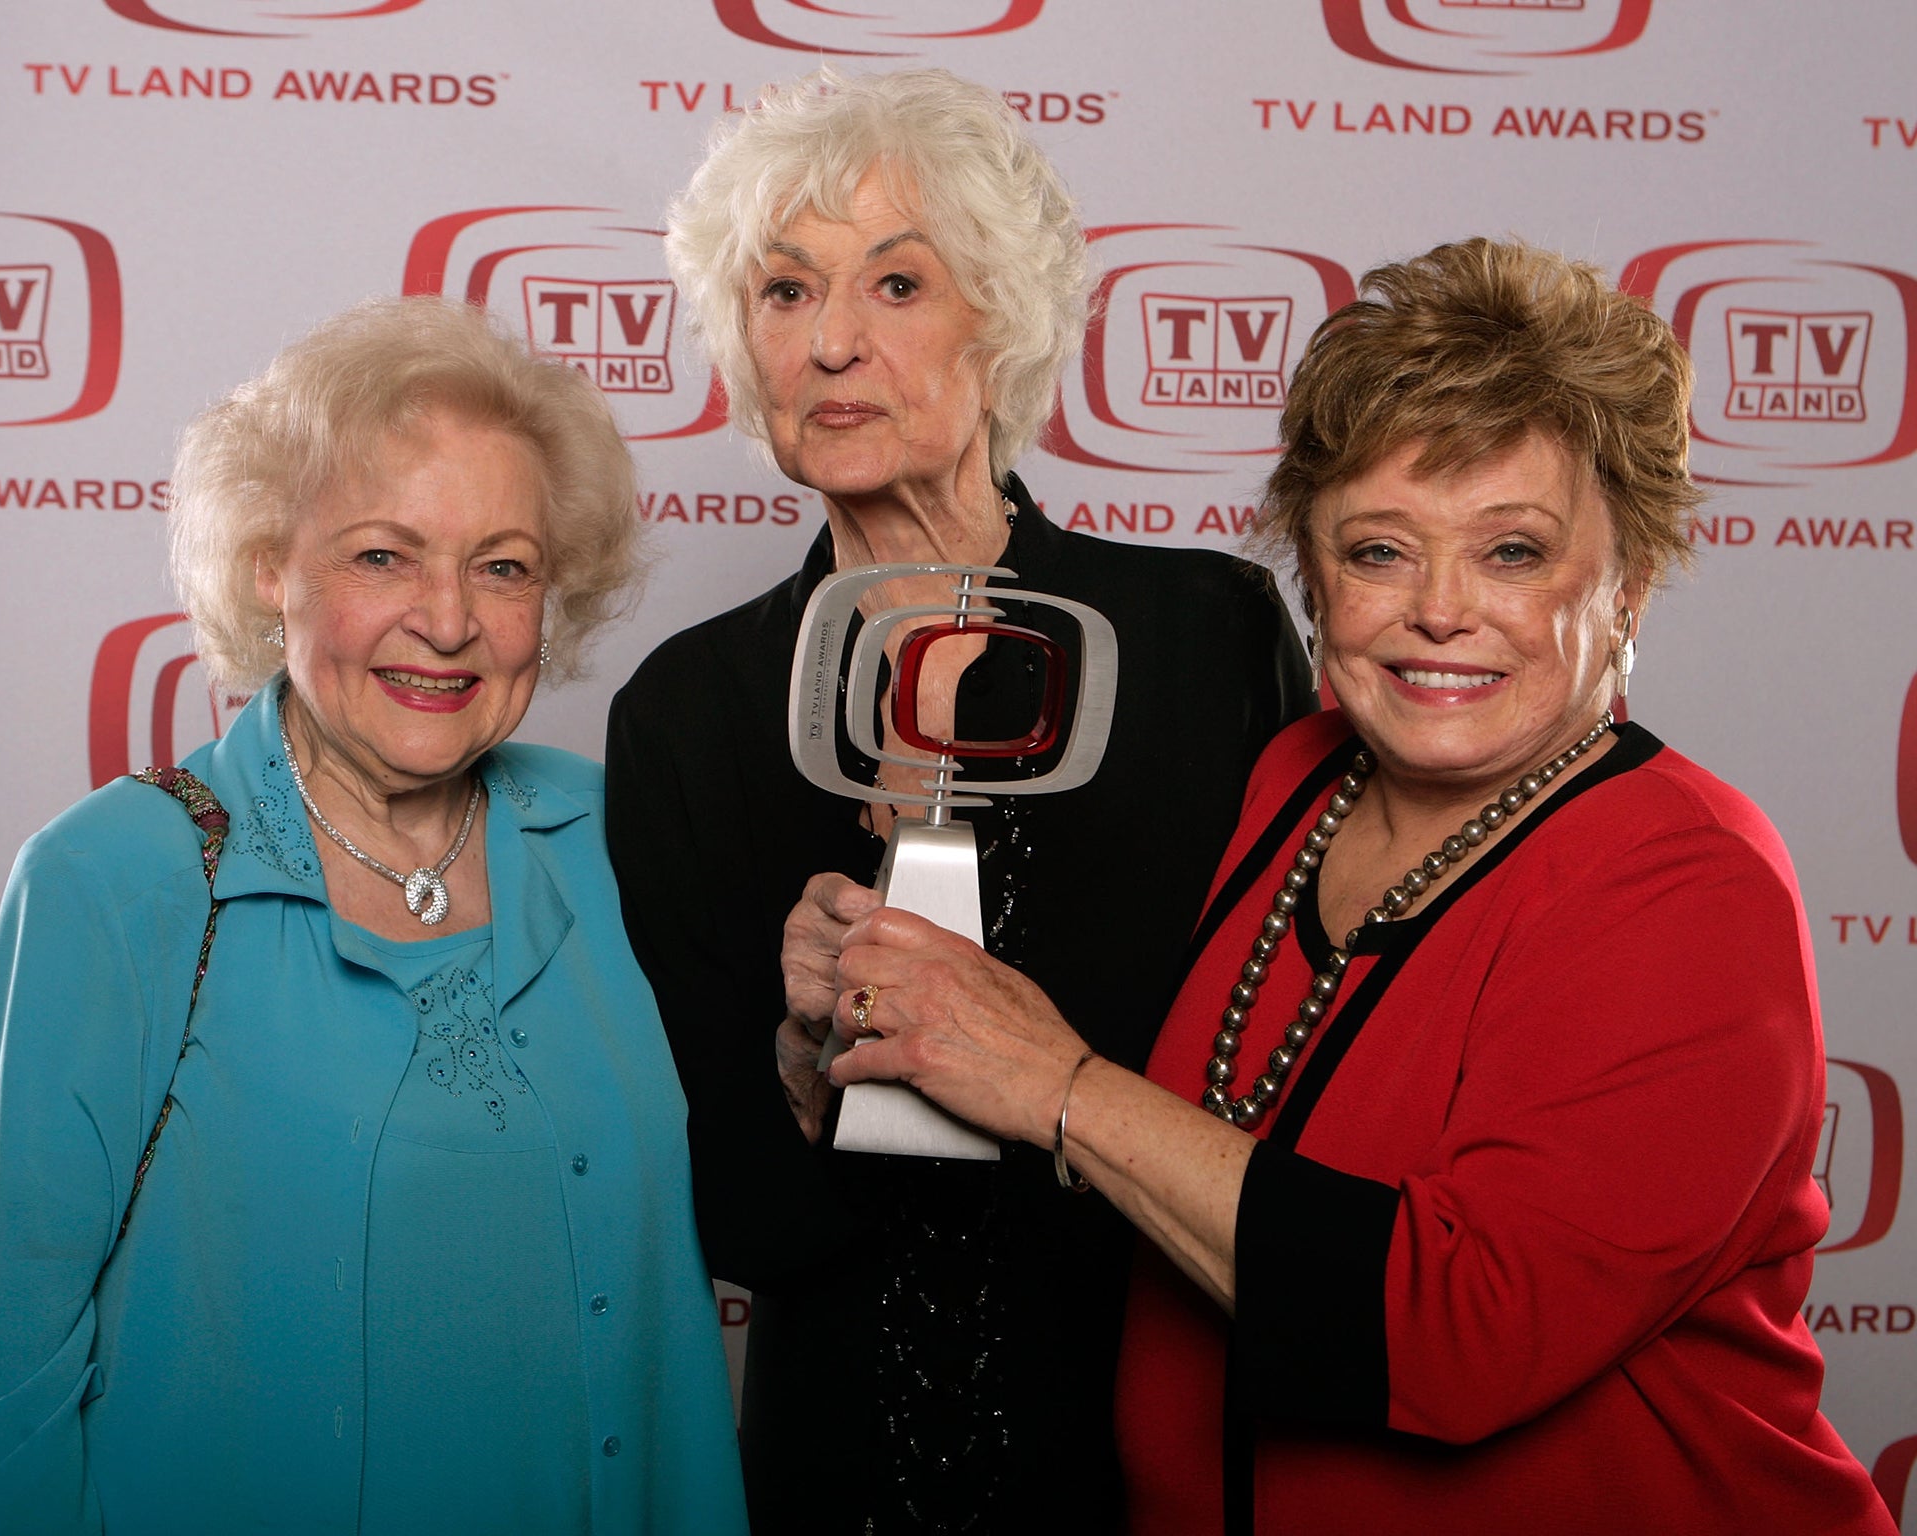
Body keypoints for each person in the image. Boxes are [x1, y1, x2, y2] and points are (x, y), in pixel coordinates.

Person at [796, 239, 1899, 1534]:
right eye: (1379, 551)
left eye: (1512, 553)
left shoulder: (1684, 878)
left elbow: (1456, 1335)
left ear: (1630, 582)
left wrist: (1053, 1084)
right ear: (1312, 575)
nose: (1438, 610)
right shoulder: (1294, 779)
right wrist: (876, 1012)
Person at [0, 297, 748, 1535]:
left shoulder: (614, 841)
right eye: (381, 555)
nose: (448, 621)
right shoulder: (117, 879)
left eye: (502, 566)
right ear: (266, 565)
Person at [604, 68, 1308, 1534]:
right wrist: (804, 1059)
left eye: (897, 283)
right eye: (785, 292)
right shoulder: (692, 710)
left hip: (1167, 1449)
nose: (833, 341)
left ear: (1005, 317)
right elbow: (737, 1216)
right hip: (830, 1465)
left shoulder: (1207, 640)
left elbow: (1303, 1101)